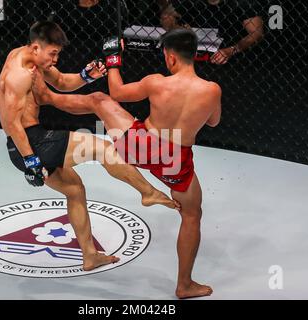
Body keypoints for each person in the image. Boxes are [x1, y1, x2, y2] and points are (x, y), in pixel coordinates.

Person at [32, 29, 221, 298]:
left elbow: (117, 92)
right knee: (191, 215)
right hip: (174, 160)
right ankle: (185, 284)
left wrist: (113, 59)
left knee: (99, 101)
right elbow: (213, 122)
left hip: (139, 146)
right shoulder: (212, 90)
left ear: (170, 59)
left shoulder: (157, 83)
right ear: (195, 55)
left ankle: (48, 98)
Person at [0, 20, 179, 272]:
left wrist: (86, 76)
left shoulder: (33, 60)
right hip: (31, 142)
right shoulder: (19, 73)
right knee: (104, 149)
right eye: (53, 53)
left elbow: (60, 82)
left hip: (28, 143)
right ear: (36, 48)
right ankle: (147, 193)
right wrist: (31, 161)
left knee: (75, 190)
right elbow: (11, 122)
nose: (55, 59)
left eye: (58, 54)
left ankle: (90, 256)